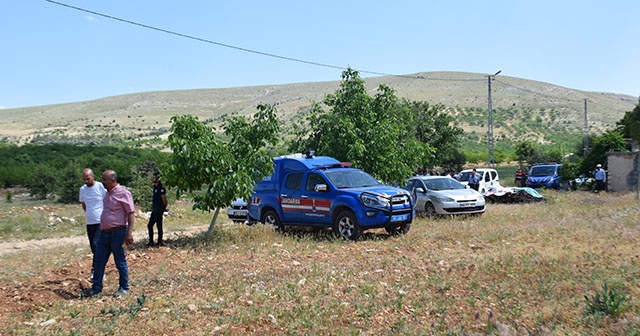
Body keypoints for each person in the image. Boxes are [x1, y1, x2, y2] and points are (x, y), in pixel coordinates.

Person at [81, 170, 135, 298]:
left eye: (104, 180)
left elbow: (131, 214)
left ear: (112, 180)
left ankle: (124, 288)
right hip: (104, 232)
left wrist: (129, 233)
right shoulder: (107, 194)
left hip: (118, 232)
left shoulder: (123, 193)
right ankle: (96, 289)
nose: (102, 182)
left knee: (119, 260)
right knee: (99, 260)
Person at [79, 168, 107, 281]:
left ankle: (97, 272)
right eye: (84, 179)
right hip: (89, 222)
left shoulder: (100, 186)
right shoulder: (82, 189)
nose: (86, 181)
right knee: (93, 247)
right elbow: (84, 204)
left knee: (97, 246)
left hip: (100, 221)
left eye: (88, 178)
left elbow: (107, 201)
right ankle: (98, 270)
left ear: (93, 176)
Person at [147, 172, 168, 247]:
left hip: (159, 209)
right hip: (154, 209)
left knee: (159, 225)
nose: (152, 179)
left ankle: (159, 241)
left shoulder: (161, 188)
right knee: (150, 225)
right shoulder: (155, 187)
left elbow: (164, 200)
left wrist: (163, 208)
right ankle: (151, 241)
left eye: (154, 178)